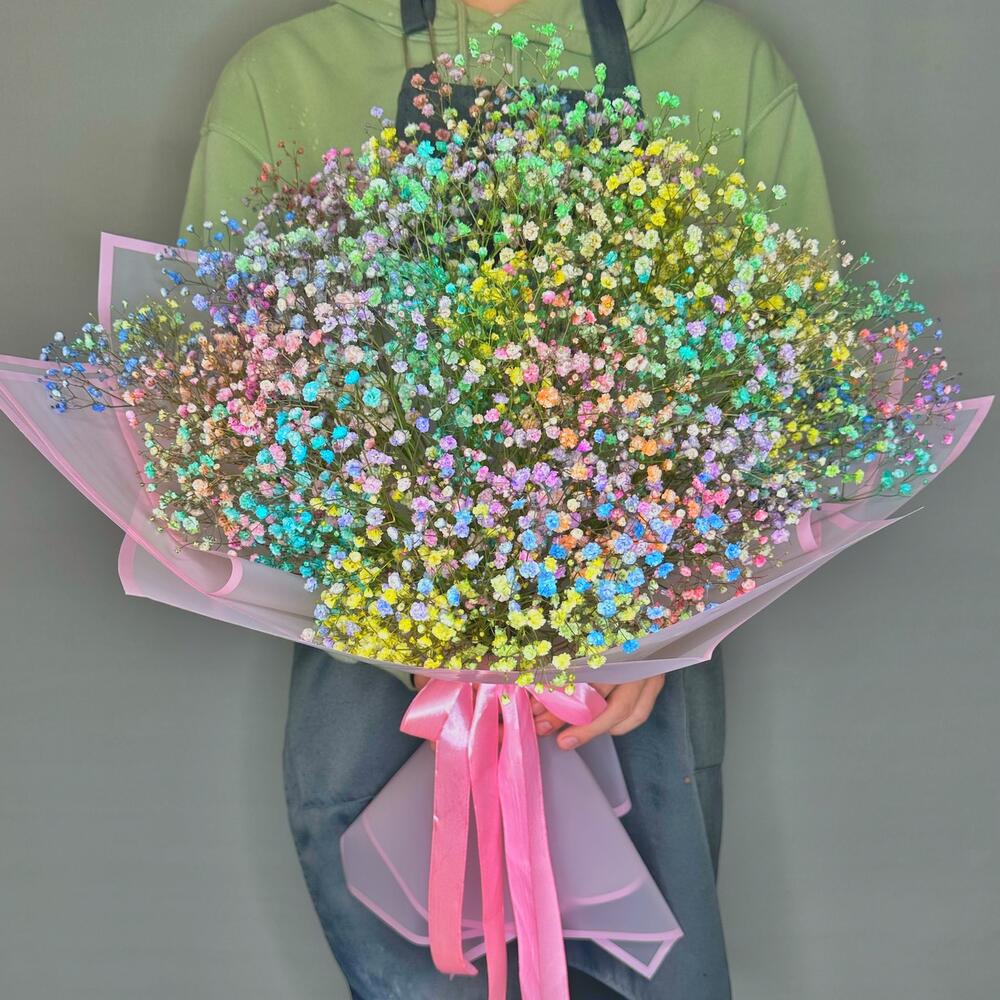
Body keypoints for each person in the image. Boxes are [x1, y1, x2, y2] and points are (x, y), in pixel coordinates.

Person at [178, 2, 837, 997]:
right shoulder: (287, 75)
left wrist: (668, 614)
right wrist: (410, 613)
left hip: (632, 691)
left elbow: (800, 392)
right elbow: (221, 406)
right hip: (387, 690)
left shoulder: (717, 61)